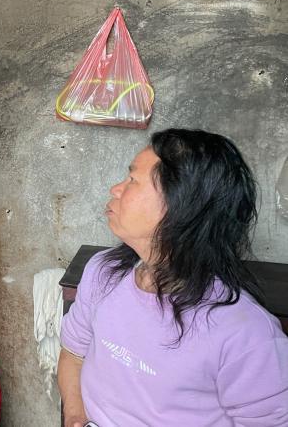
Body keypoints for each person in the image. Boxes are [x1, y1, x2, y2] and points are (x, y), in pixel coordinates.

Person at [58, 128, 288, 427]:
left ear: (180, 207)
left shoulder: (245, 333)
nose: (116, 189)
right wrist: (75, 417)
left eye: (132, 180)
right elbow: (73, 354)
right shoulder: (104, 272)